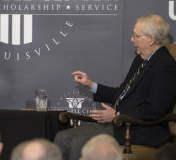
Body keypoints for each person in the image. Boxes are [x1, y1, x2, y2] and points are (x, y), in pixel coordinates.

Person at [54, 14, 176, 160]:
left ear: (151, 39)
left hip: (140, 130)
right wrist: (91, 84)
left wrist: (117, 115)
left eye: (136, 36)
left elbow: (153, 110)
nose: (132, 40)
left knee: (80, 142)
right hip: (120, 125)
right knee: (62, 137)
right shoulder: (140, 60)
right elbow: (121, 94)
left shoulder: (165, 66)